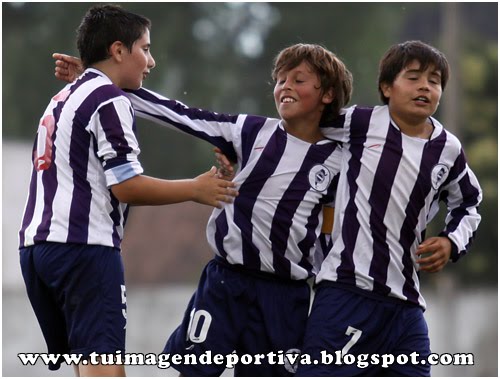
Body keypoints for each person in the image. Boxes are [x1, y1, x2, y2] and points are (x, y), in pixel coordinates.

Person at [53, 43, 352, 376]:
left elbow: (337, 228)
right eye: (281, 80)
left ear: (326, 94)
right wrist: (100, 82)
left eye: (298, 80)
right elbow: (179, 114)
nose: (285, 87)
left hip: (285, 296)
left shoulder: (340, 160)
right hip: (226, 282)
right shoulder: (250, 131)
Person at [19, 5, 237, 377]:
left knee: (87, 366)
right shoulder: (110, 100)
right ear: (119, 50)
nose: (150, 62)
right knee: (105, 368)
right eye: (146, 49)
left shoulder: (63, 97)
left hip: (36, 249)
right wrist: (195, 189)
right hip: (84, 248)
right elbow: (126, 186)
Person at [294, 40, 483, 376]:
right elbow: (298, 128)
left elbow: (469, 203)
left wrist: (451, 241)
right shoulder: (360, 124)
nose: (425, 86)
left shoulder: (448, 149)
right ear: (386, 87)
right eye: (413, 77)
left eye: (435, 80)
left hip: (406, 307)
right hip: (346, 292)